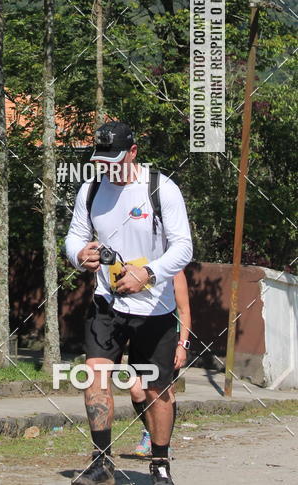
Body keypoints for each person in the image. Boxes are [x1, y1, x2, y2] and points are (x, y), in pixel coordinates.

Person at [65, 121, 193, 485]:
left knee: (156, 391)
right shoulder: (91, 189)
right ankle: (101, 459)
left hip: (155, 309)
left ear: (133, 152)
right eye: (101, 159)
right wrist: (79, 254)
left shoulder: (161, 188)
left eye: (115, 159)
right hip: (107, 303)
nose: (107, 167)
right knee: (96, 374)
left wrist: (148, 274)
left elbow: (183, 247)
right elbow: (74, 236)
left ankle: (160, 462)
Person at [130, 269, 192, 457]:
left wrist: (182, 345)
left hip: (167, 338)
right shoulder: (136, 267)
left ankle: (162, 443)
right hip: (139, 336)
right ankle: (152, 432)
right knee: (135, 388)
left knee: (163, 391)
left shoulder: (174, 271)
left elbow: (184, 310)